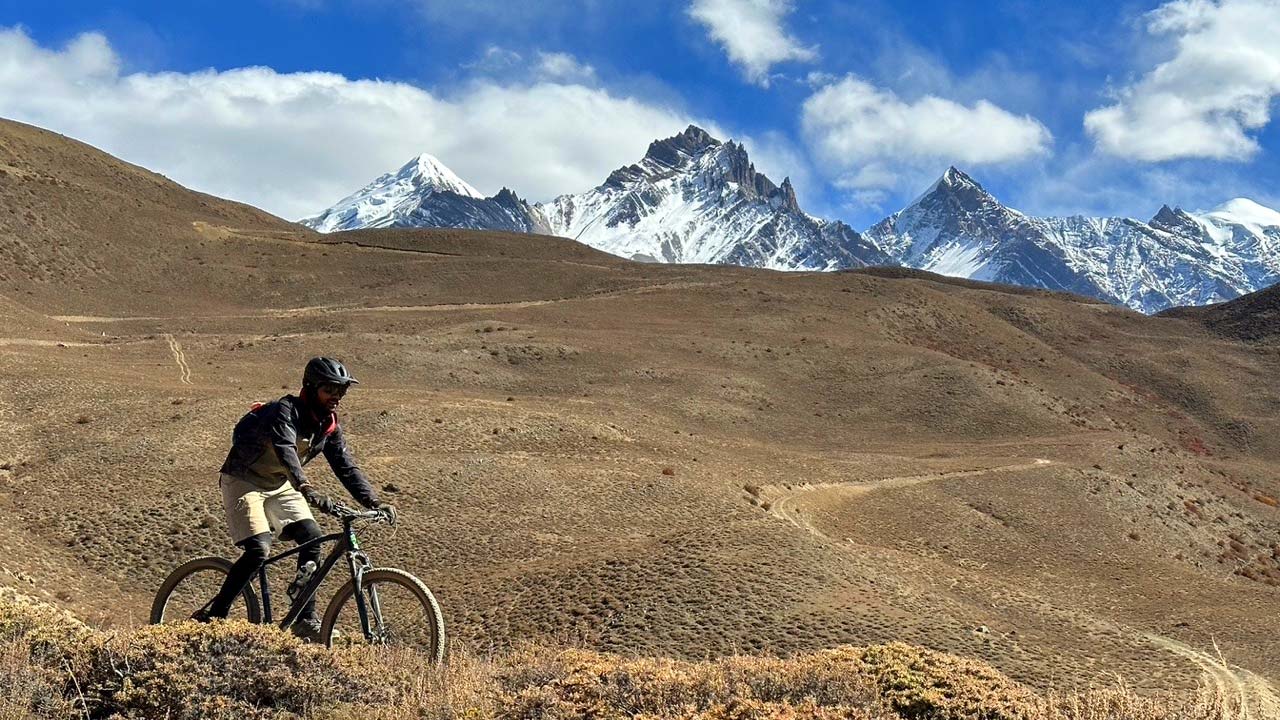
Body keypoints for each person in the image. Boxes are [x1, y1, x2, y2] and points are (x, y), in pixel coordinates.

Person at [195, 356, 396, 641]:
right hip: (243, 479)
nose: (337, 396)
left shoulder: (328, 426)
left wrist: (374, 502)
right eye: (330, 389)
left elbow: (346, 466)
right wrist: (306, 487)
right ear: (311, 387)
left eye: (342, 390)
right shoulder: (284, 412)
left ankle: (304, 619)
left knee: (313, 539)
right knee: (258, 551)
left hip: (279, 483)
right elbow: (286, 449)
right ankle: (214, 617)